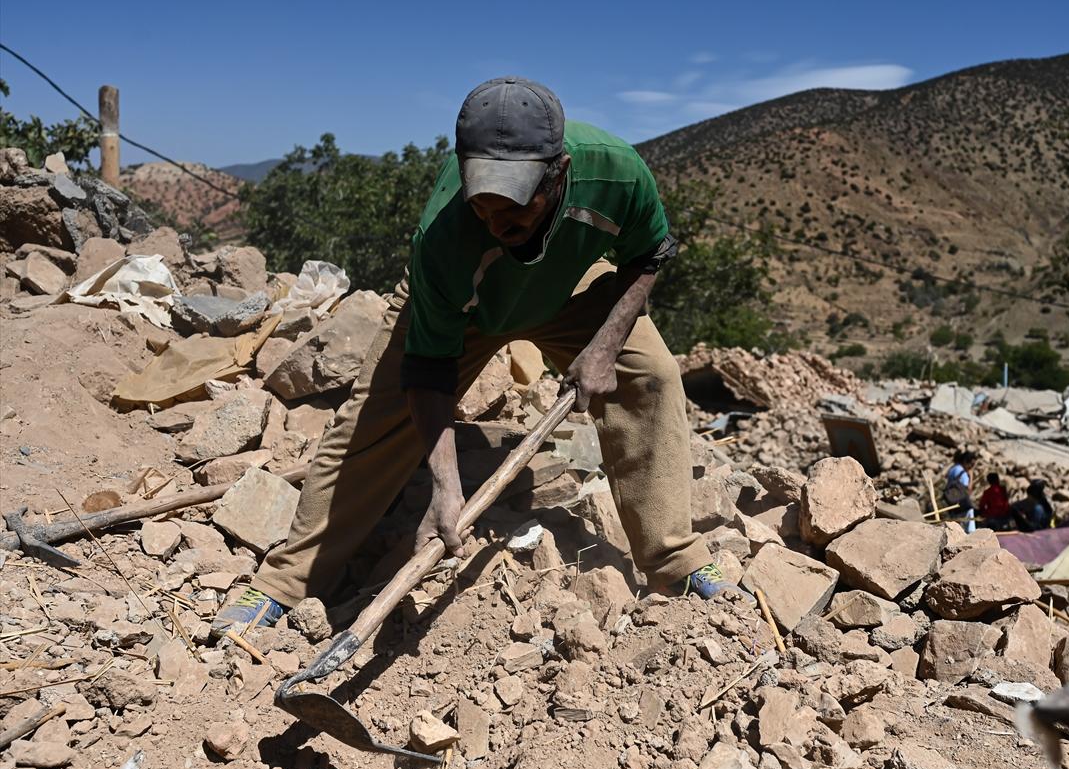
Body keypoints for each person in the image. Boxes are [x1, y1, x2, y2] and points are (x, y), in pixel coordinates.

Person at [213, 77, 742, 634]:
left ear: (558, 171)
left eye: (514, 207)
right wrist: (445, 485)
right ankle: (288, 581)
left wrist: (604, 349)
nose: (495, 221)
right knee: (373, 422)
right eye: (483, 206)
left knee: (651, 375)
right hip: (467, 302)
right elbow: (429, 371)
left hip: (569, 286)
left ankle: (672, 562)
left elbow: (648, 256)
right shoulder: (444, 235)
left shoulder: (617, 172)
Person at [943, 450, 977, 532]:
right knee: (970, 512)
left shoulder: (953, 469)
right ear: (965, 461)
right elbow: (968, 490)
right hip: (960, 503)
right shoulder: (963, 473)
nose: (971, 467)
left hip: (950, 501)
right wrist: (971, 476)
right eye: (971, 465)